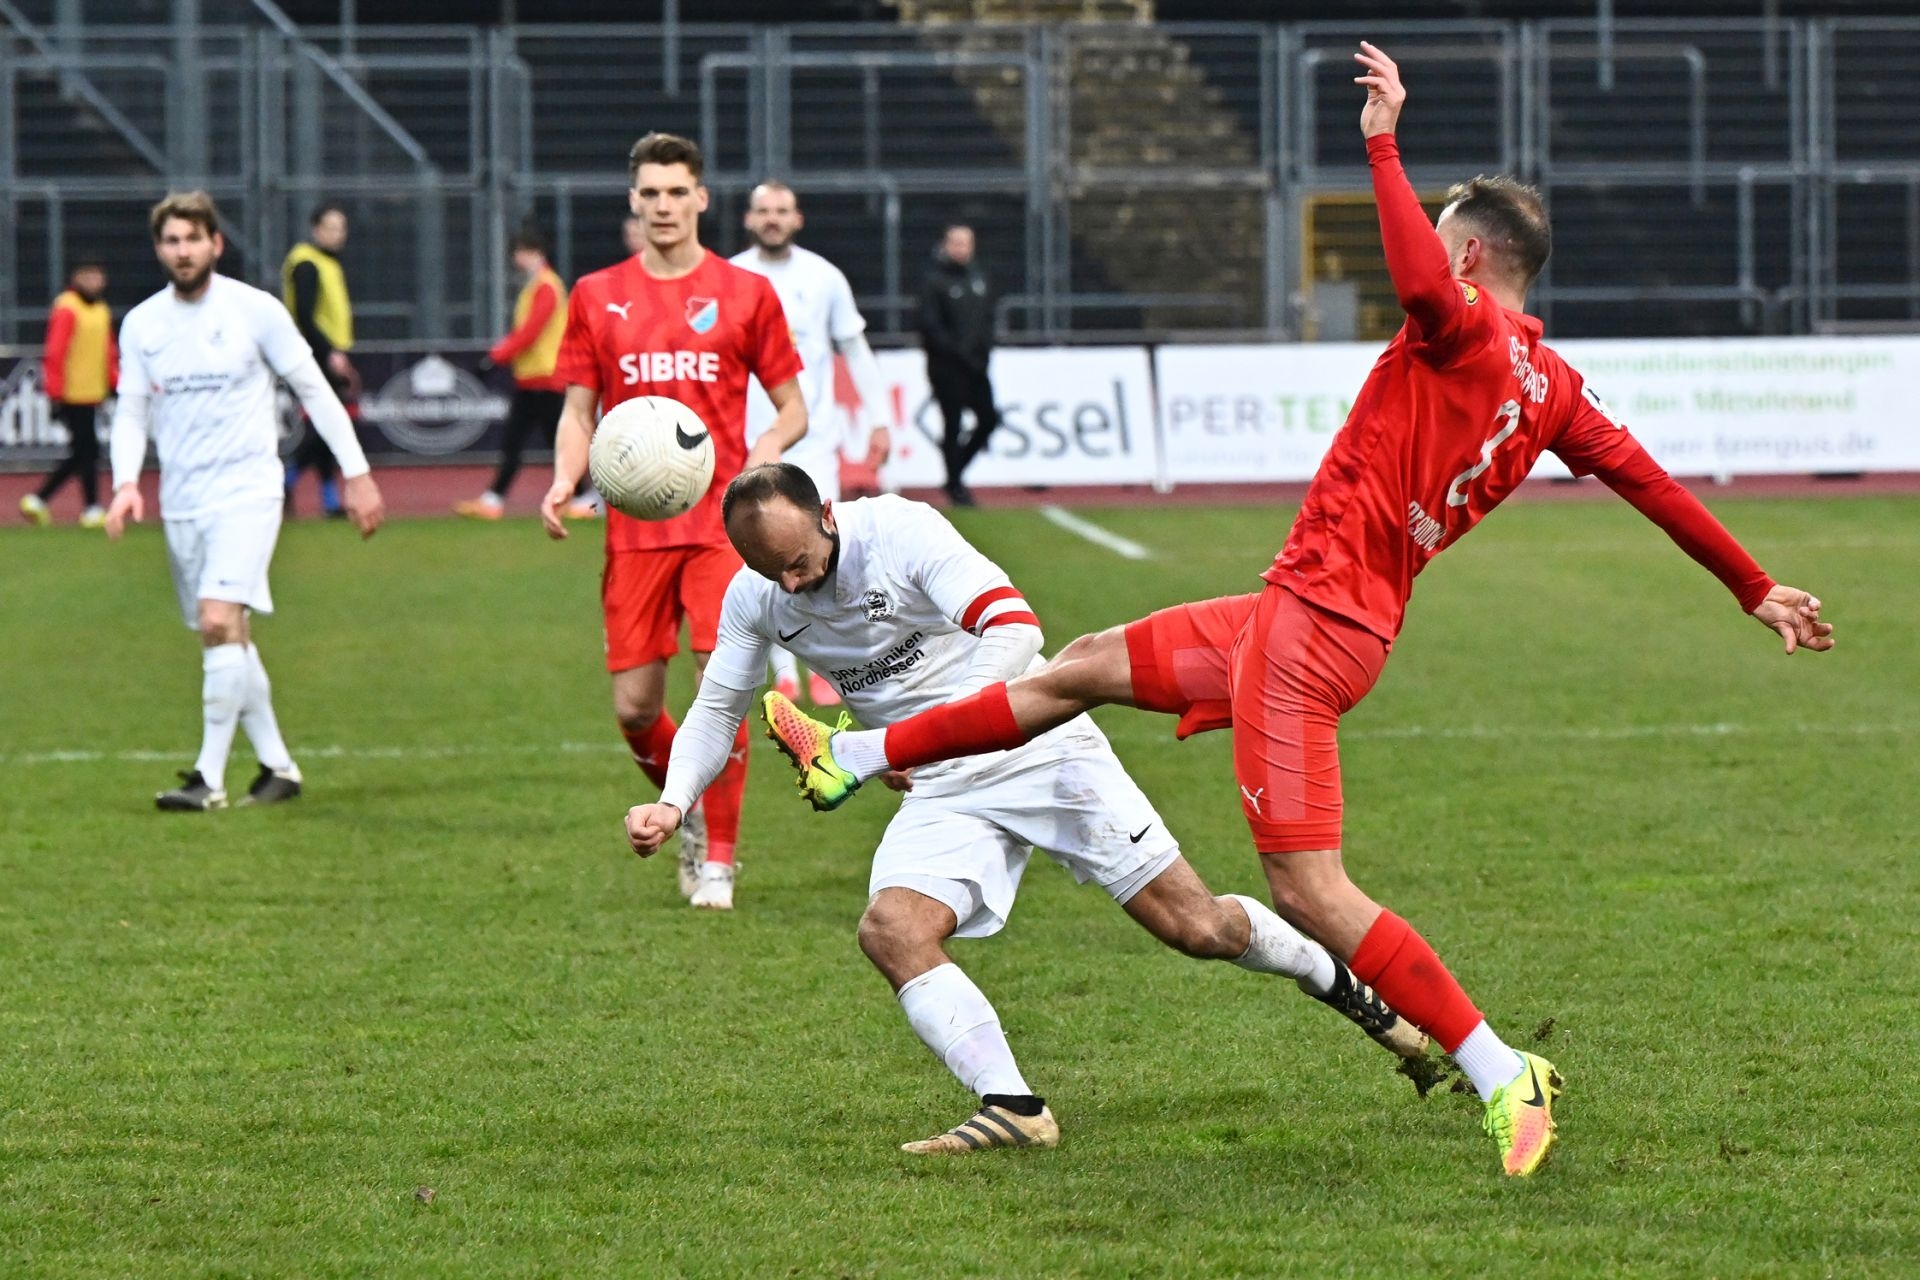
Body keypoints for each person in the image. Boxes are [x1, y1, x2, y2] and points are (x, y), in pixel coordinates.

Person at [764, 42, 1835, 1178]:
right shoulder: (1554, 384)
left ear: (1471, 251)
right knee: (1075, 664)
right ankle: (860, 752)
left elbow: (1421, 285)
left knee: (1307, 886)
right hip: (1316, 617)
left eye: (1441, 227)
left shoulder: (1459, 318)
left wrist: (1380, 141)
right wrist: (1752, 584)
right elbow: (1649, 479)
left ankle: (1497, 1066)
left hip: (1306, 634)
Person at [625, 464, 1426, 1151]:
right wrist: (671, 800)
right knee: (892, 930)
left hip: (1040, 749)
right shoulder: (756, 594)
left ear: (829, 516)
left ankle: (1340, 980)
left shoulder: (901, 532)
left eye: (800, 562)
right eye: (776, 574)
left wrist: (927, 733)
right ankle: (1014, 1107)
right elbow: (718, 705)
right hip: (941, 781)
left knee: (1198, 928)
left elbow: (1014, 631)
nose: (792, 584)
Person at [541, 132, 808, 911]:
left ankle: (716, 859)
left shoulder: (746, 294)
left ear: (701, 198)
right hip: (633, 534)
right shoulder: (595, 294)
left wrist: (763, 456)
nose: (662, 205)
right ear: (634, 200)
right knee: (634, 711)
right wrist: (564, 477)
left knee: (717, 695)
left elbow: (793, 405)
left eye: (675, 191)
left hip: (722, 529)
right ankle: (680, 802)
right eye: (649, 193)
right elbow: (578, 410)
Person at [106, 191, 386, 811]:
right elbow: (130, 410)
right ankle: (278, 767)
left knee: (216, 619)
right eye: (171, 241)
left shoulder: (254, 310)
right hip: (182, 502)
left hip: (248, 492)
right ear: (160, 249)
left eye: (192, 239)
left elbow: (313, 388)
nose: (182, 251)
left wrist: (357, 472)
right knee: (227, 632)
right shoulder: (142, 324)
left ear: (215, 243)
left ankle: (208, 778)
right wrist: (126, 482)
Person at [730, 180, 894, 708]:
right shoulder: (730, 277)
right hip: (751, 443)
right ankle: (783, 667)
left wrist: (879, 418)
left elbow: (855, 347)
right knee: (762, 552)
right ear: (748, 219)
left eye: (781, 210)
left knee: (823, 548)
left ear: (797, 218)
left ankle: (828, 663)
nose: (772, 218)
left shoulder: (824, 277)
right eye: (763, 210)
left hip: (814, 440)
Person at [457, 229, 582, 520]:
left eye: (520, 252)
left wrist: (495, 358)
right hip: (534, 379)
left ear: (533, 252)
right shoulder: (539, 285)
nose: (516, 259)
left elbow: (529, 332)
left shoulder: (546, 286)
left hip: (545, 378)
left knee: (550, 444)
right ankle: (495, 500)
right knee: (532, 442)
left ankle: (578, 498)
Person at [21, 259, 117, 529]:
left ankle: (38, 500)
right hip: (72, 394)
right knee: (87, 451)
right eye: (88, 275)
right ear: (76, 277)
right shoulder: (67, 307)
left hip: (92, 392)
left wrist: (113, 381)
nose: (94, 281)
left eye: (98, 275)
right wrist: (54, 393)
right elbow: (56, 352)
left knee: (83, 451)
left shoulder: (100, 310)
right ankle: (90, 508)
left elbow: (108, 351)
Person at [281, 203, 358, 518]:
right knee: (329, 427)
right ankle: (285, 481)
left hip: (328, 354)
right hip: (315, 356)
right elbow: (305, 318)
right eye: (330, 227)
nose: (337, 234)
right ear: (316, 229)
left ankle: (328, 499)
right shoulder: (306, 264)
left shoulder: (328, 263)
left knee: (328, 428)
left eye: (341, 227)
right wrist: (330, 354)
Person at [917, 224, 997, 507]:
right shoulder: (934, 281)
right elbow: (929, 325)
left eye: (966, 243)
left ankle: (956, 471)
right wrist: (956, 352)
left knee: (989, 419)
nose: (961, 248)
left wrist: (983, 353)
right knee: (953, 423)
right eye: (956, 242)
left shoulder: (980, 278)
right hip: (946, 366)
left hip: (976, 365)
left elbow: (987, 319)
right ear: (946, 244)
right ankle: (956, 487)